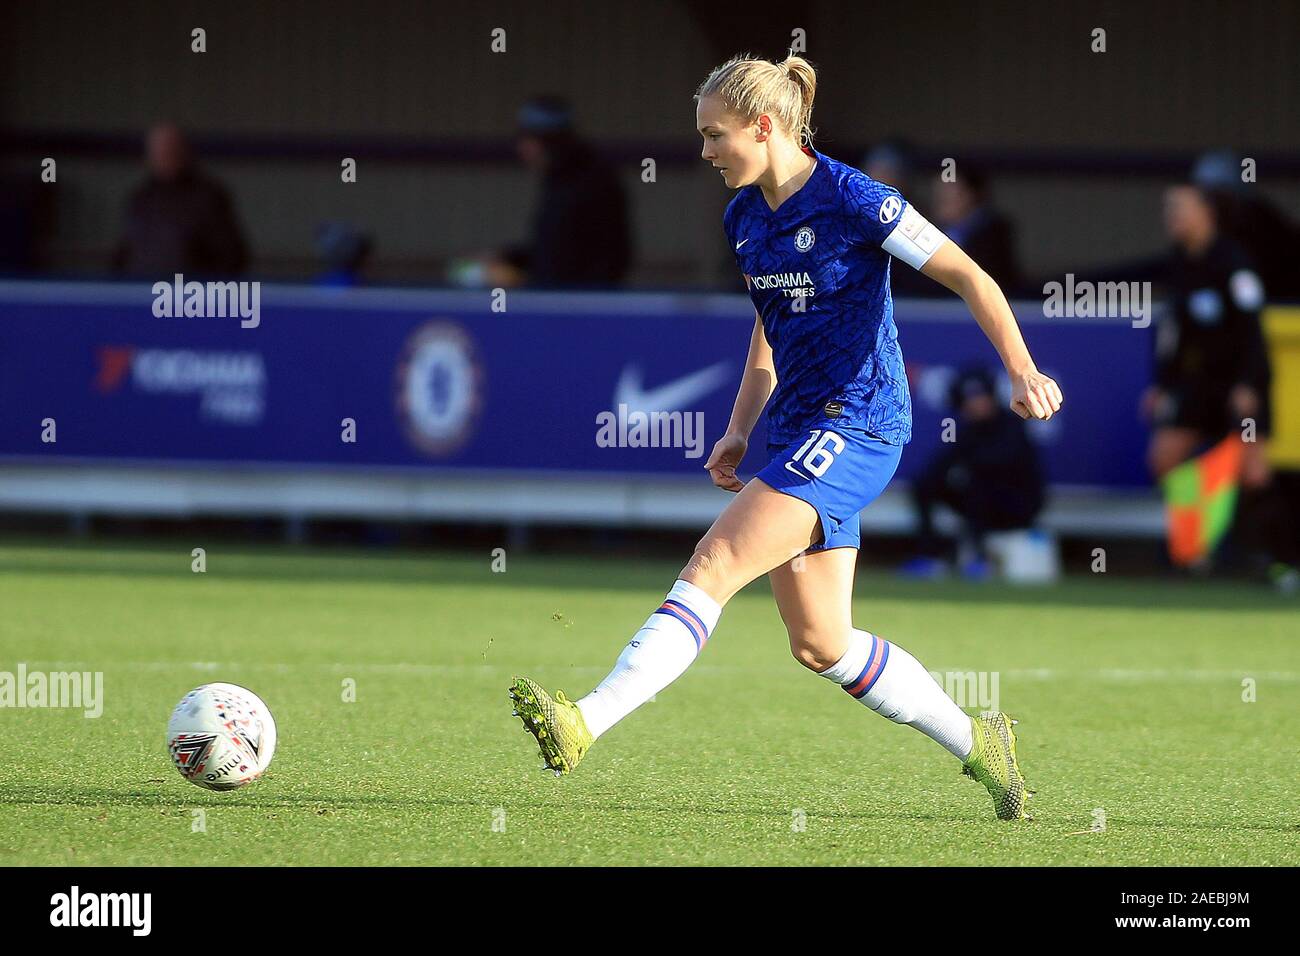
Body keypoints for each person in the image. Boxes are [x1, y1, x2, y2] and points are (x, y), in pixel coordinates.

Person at [510, 53, 1062, 822]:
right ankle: (981, 745)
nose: (704, 152)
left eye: (714, 134)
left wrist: (1022, 370)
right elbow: (768, 335)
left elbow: (972, 275)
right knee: (821, 644)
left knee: (716, 560)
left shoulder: (856, 199)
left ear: (763, 126)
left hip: (861, 423)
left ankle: (584, 722)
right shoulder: (744, 217)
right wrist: (740, 429)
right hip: (802, 432)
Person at [1144, 184, 1295, 585]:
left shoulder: (1234, 262)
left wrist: (1248, 384)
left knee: (1253, 473)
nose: (1172, 216)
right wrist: (1161, 385)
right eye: (1168, 208)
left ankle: (1277, 561)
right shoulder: (1178, 263)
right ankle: (1192, 551)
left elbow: (1253, 332)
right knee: (1164, 456)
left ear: (1207, 213)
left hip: (1245, 382)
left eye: (1180, 208)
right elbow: (1172, 334)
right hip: (1201, 384)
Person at [903, 367, 1046, 579]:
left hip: (1017, 505)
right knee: (925, 485)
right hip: (977, 502)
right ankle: (930, 556)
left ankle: (978, 560)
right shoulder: (967, 429)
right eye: (968, 398)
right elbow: (942, 465)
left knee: (978, 487)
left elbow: (997, 464)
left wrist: (968, 467)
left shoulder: (1011, 425)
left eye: (980, 396)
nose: (975, 404)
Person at [483, 96, 631, 289]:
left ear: (549, 142)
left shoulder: (588, 183)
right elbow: (551, 249)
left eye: (528, 139)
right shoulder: (559, 181)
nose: (521, 149)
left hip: (578, 303)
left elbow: (593, 256)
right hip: (559, 297)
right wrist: (508, 258)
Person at [113, 123, 248, 277]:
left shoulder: (208, 197)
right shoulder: (141, 198)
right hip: (140, 292)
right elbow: (125, 251)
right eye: (158, 151)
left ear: (183, 151)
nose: (163, 156)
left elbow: (231, 255)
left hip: (190, 294)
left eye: (169, 150)